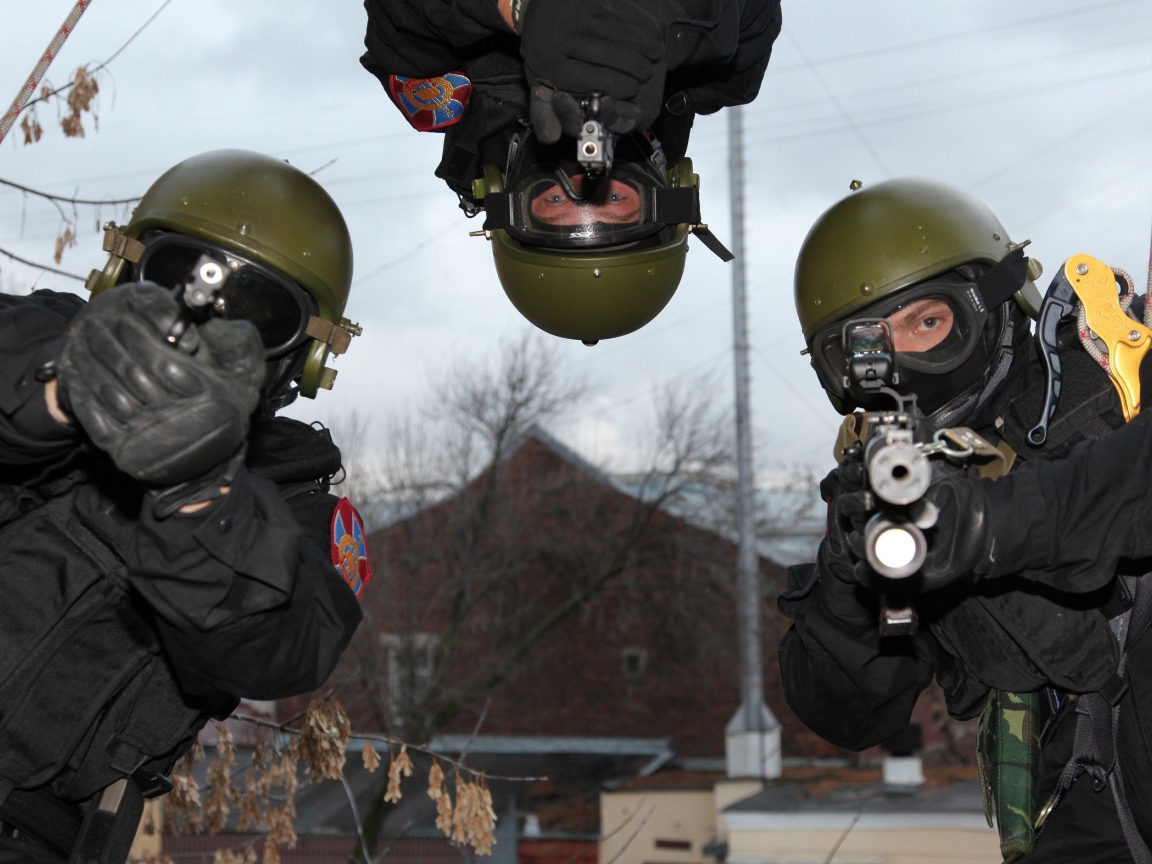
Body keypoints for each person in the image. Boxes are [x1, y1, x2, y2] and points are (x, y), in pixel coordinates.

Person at [0, 149, 369, 863]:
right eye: (178, 276)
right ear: (123, 274)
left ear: (303, 359)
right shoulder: (40, 336)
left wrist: (200, 492)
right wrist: (62, 391)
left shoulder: (292, 503)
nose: (206, 318)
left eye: (260, 314)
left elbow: (283, 649)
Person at [778, 176, 1152, 862]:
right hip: (1081, 820)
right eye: (867, 348)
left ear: (991, 305)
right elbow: (848, 712)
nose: (902, 363)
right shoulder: (893, 486)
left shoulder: (1125, 377)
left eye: (928, 323)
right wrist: (854, 572)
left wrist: (982, 525)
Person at [360, 0, 782, 343]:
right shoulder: (723, 69)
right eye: (615, 199)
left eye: (556, 201)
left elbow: (398, 16)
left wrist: (523, 9)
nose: (583, 179)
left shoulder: (431, 77)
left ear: (506, 195)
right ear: (666, 184)